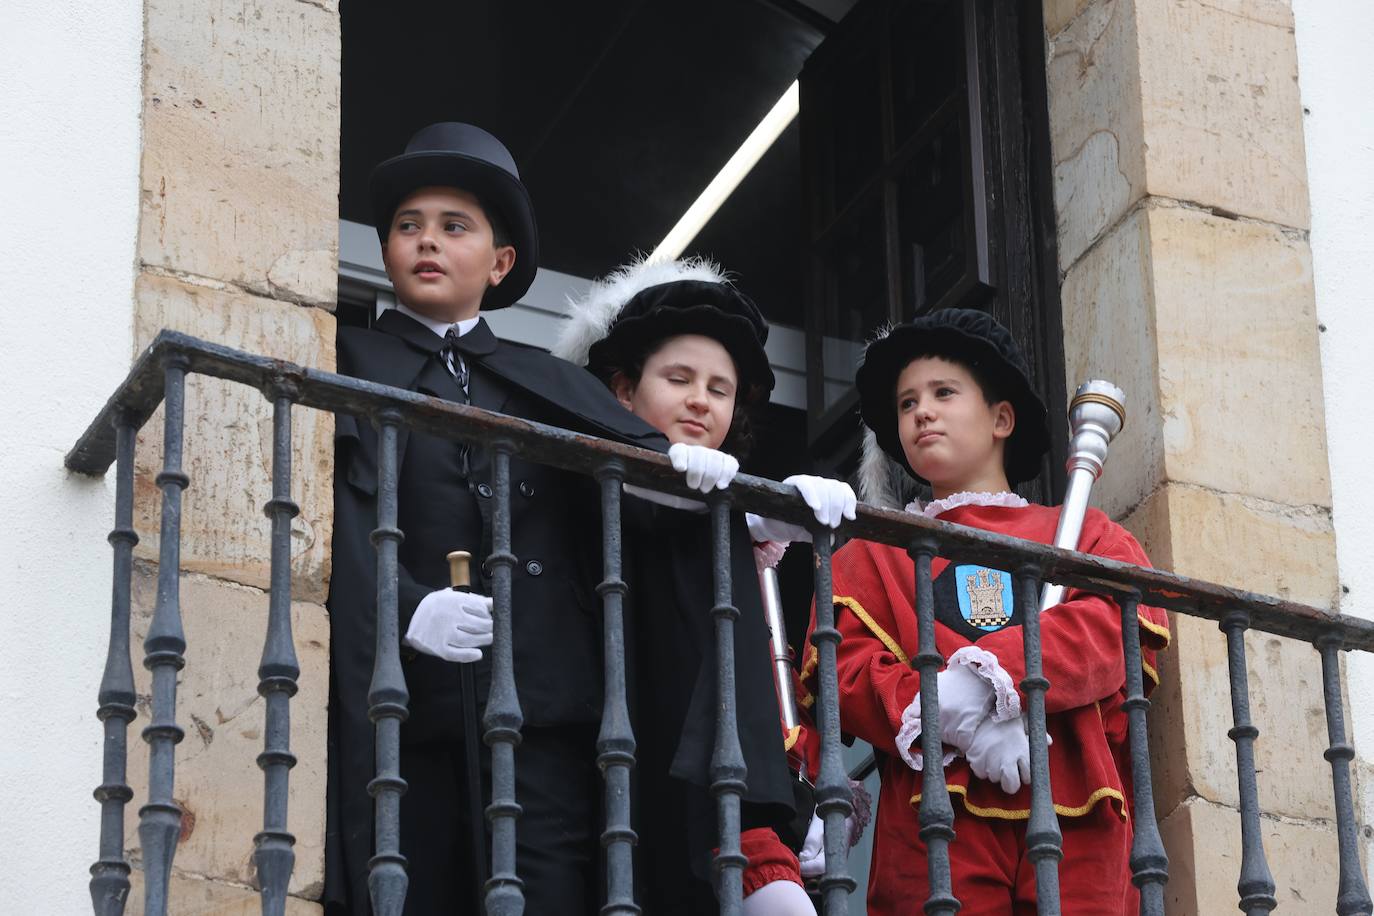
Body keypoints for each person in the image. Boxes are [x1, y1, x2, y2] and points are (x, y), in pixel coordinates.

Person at [324, 122, 688, 915]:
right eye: (409, 225)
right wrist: (403, 607)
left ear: (500, 262)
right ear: (385, 249)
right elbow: (329, 522)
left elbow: (645, 492)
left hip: (544, 714)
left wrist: (735, 498)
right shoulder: (343, 357)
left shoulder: (545, 381)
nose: (427, 241)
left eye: (454, 226)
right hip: (409, 711)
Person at [799, 309, 1171, 914]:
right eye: (907, 403)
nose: (922, 412)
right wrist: (947, 707)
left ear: (1001, 419)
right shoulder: (871, 556)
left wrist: (990, 680)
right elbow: (847, 672)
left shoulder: (1086, 534)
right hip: (933, 818)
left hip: (1074, 808)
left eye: (943, 393)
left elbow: (1115, 629)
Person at [554, 257, 857, 914]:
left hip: (719, 796)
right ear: (623, 391)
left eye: (720, 389)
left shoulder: (725, 517)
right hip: (613, 776)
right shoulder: (575, 488)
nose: (701, 399)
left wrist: (769, 512)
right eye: (679, 378)